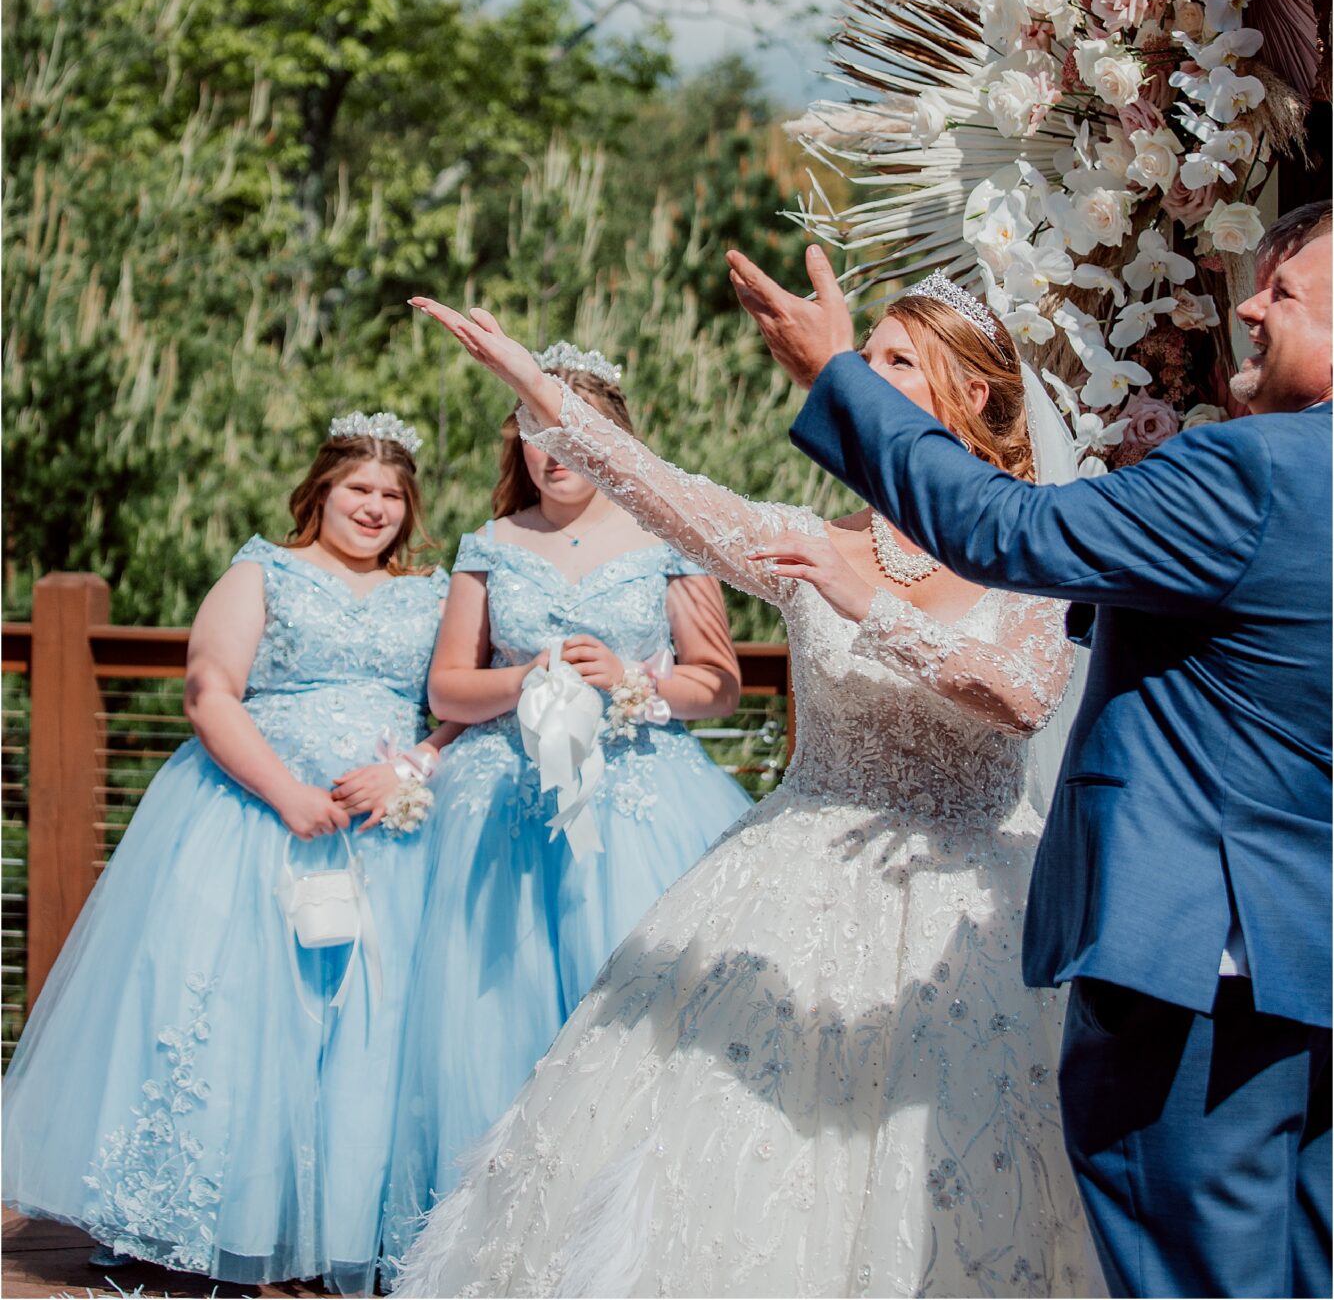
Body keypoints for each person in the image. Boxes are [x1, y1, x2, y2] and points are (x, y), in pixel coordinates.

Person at [390, 288, 1098, 1300]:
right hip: (789, 875)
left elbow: (1022, 696)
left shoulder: (1027, 544)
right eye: (868, 356)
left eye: (894, 361)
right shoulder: (810, 535)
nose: (860, 377)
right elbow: (658, 486)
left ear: (974, 393)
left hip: (970, 903)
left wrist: (862, 600)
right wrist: (533, 384)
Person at [728, 204, 1333, 1300]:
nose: (1245, 304)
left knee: (1197, 1270)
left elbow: (1009, 534)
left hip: (1202, 954)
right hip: (1312, 947)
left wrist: (833, 375)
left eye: (1281, 293)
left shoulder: (1252, 470)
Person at [2, 411, 453, 1293]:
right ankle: (201, 1221)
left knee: (373, 1030)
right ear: (320, 491)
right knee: (240, 1014)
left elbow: (458, 707)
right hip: (254, 816)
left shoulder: (435, 593)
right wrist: (286, 794)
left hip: (390, 830)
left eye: (392, 496)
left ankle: (345, 1228)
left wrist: (412, 767)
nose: (374, 508)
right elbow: (211, 692)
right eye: (358, 489)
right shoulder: (263, 573)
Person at [381, 342, 752, 1269]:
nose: (557, 452)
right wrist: (525, 677)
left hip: (638, 800)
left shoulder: (670, 541)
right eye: (539, 432)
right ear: (520, 440)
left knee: (631, 1000)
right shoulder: (488, 547)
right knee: (490, 1009)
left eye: (575, 434)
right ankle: (484, 1241)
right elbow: (447, 693)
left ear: (611, 441)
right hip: (499, 810)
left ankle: (620, 1247)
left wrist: (631, 678)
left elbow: (719, 683)